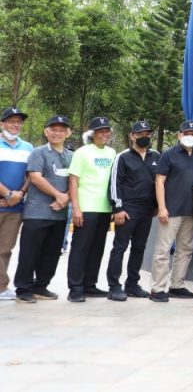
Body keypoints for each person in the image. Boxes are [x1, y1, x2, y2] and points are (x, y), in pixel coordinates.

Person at [13, 115, 73, 303]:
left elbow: (76, 181)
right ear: (46, 131)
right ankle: (23, 288)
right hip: (37, 212)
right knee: (30, 251)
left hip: (60, 214)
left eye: (61, 130)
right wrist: (58, 195)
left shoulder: (72, 156)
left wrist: (65, 199)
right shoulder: (38, 152)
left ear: (68, 133)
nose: (57, 133)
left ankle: (41, 286)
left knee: (52, 252)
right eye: (53, 129)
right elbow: (36, 177)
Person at [151, 119, 193, 302]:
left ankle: (177, 285)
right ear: (179, 135)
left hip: (190, 211)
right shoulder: (168, 155)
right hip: (171, 210)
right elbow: (159, 182)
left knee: (185, 249)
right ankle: (157, 288)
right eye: (186, 133)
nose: (190, 136)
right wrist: (162, 207)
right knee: (163, 250)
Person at [106, 120, 159, 301]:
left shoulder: (156, 157)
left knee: (139, 248)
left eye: (147, 134)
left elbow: (160, 183)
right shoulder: (122, 157)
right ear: (132, 136)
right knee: (120, 247)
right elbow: (115, 184)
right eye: (140, 134)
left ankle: (132, 284)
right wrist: (118, 208)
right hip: (127, 210)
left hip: (147, 211)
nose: (144, 137)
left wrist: (158, 206)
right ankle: (114, 286)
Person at [67, 116, 116, 302]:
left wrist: (113, 208)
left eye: (106, 130)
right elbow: (73, 180)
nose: (104, 134)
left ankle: (90, 284)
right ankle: (75, 288)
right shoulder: (82, 152)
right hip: (86, 208)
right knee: (80, 248)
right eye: (100, 131)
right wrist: (76, 208)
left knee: (97, 248)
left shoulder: (112, 153)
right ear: (92, 133)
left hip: (104, 209)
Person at [0, 107, 33, 301]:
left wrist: (19, 194)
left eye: (19, 122)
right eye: (11, 121)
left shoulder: (28, 147)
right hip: (5, 199)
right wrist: (7, 193)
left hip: (15, 207)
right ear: (2, 124)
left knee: (5, 247)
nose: (15, 125)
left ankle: (2, 286)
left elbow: (31, 174)